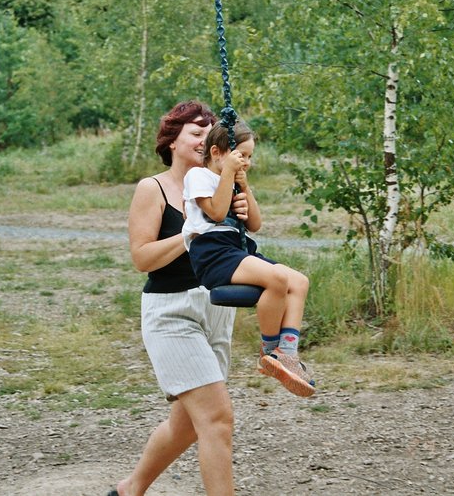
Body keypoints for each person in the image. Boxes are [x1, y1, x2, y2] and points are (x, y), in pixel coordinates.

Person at [111, 101, 246, 496]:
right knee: (217, 418)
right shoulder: (151, 188)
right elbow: (142, 258)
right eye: (195, 133)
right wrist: (189, 234)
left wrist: (239, 206)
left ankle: (130, 489)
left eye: (209, 134)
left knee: (186, 425)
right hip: (172, 311)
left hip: (216, 309)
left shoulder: (218, 187)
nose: (205, 140)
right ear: (172, 140)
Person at [182, 119, 315, 398]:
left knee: (299, 282)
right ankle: (269, 352)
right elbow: (217, 213)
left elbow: (255, 224)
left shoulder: (233, 180)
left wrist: (245, 188)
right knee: (277, 279)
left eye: (250, 157)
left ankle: (287, 353)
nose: (246, 162)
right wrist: (230, 176)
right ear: (216, 152)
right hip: (212, 252)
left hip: (236, 249)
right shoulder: (198, 176)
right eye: (241, 155)